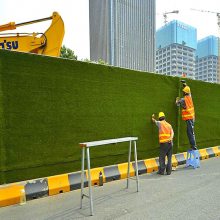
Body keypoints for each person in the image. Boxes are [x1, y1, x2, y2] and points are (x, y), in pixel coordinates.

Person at [176, 81, 197, 150]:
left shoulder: (183, 100)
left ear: (185, 93)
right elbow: (189, 91)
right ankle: (193, 145)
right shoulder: (189, 97)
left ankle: (194, 146)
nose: (182, 92)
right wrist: (184, 84)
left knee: (190, 132)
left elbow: (177, 104)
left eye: (183, 91)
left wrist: (177, 100)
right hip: (192, 117)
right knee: (189, 132)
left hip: (189, 118)